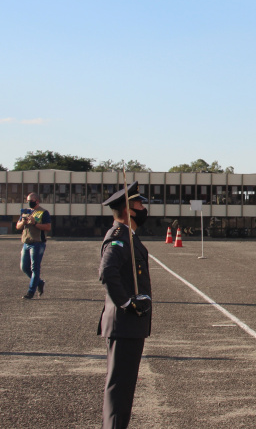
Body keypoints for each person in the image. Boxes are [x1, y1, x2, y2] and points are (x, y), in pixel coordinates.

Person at [98, 182, 152, 429]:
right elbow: (107, 272)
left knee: (124, 387)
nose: (144, 208)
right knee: (120, 387)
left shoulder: (129, 236)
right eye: (139, 204)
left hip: (130, 325)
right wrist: (127, 302)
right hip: (124, 323)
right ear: (129, 210)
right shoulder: (119, 237)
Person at [17, 192, 51, 299]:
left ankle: (30, 292)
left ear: (37, 201)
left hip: (37, 243)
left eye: (30, 201)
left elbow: (47, 227)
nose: (29, 203)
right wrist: (24, 222)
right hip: (26, 242)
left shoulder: (43, 212)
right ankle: (39, 283)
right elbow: (18, 226)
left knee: (35, 268)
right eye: (27, 201)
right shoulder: (26, 212)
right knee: (24, 267)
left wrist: (35, 223)